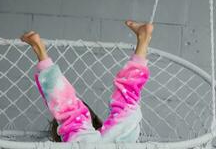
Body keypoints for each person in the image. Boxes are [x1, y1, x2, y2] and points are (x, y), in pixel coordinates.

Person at [20, 20, 153, 142]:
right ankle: (143, 40)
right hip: (112, 143)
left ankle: (143, 40)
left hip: (93, 144)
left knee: (124, 108)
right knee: (124, 110)